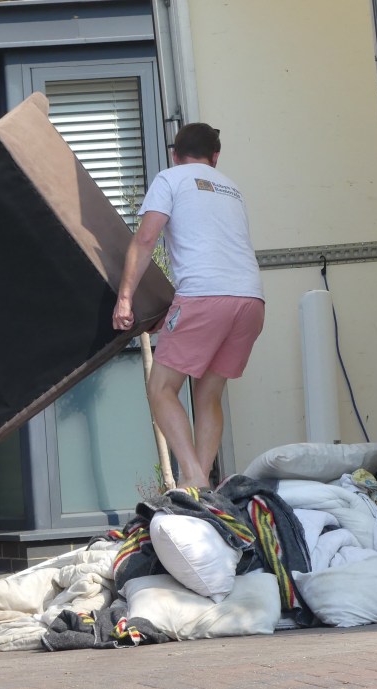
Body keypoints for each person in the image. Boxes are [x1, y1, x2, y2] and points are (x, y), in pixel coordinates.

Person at [112, 123, 264, 489]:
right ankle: (203, 485)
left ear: (174, 154)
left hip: (203, 296)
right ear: (215, 157)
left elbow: (146, 238)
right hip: (251, 300)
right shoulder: (230, 188)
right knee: (208, 394)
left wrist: (125, 296)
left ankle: (193, 480)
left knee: (161, 388)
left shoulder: (171, 178)